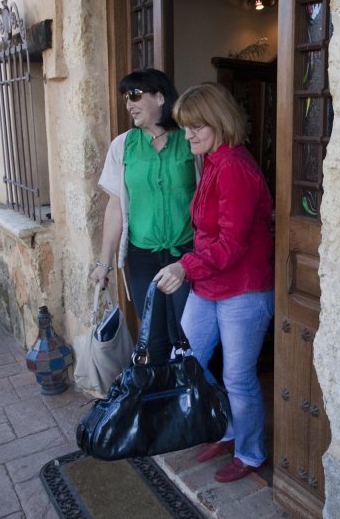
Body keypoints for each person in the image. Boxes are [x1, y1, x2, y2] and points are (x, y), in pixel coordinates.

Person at [153, 82, 274, 484]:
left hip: (244, 288)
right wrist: (191, 267)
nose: (187, 135)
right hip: (210, 284)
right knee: (189, 360)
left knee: (238, 377)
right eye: (185, 128)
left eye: (195, 127)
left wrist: (184, 267)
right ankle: (225, 429)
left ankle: (251, 452)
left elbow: (232, 245)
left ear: (219, 123)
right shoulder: (213, 161)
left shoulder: (235, 166)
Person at [92, 69, 197, 364]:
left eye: (136, 95)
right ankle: (158, 400)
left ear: (160, 97)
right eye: (126, 98)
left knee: (188, 334)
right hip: (142, 258)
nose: (129, 103)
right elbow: (115, 206)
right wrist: (103, 263)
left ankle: (188, 401)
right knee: (152, 337)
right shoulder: (123, 145)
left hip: (186, 256)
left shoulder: (190, 140)